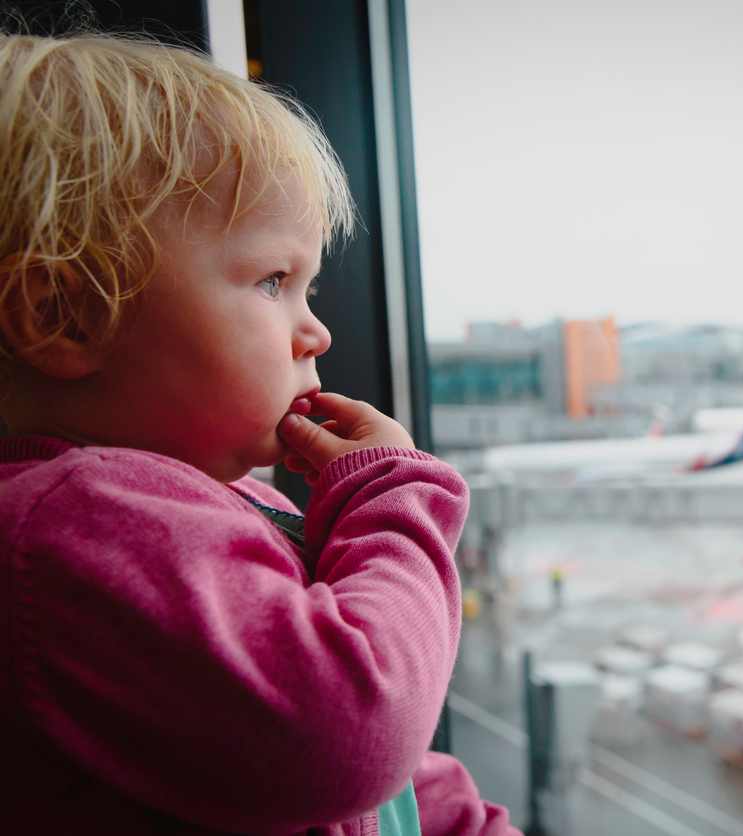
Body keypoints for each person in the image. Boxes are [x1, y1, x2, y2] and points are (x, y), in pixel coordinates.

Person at [0, 30, 519, 835]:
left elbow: (391, 785)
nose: (316, 334)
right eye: (274, 281)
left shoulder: (207, 501)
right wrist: (394, 498)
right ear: (64, 316)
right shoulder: (72, 525)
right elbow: (353, 722)